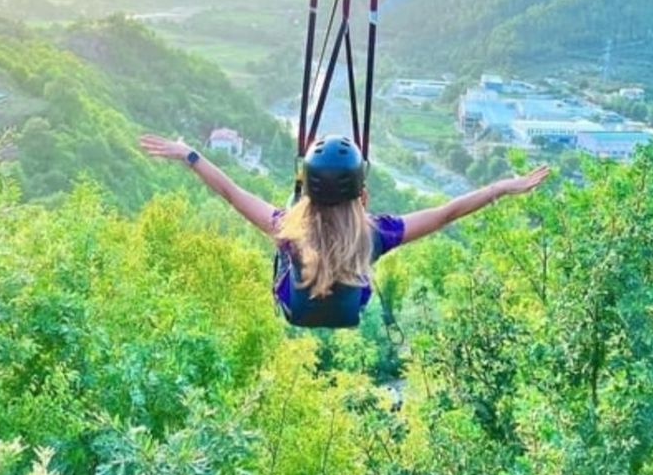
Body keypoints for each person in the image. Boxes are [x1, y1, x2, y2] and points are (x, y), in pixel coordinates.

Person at [138, 132, 550, 329]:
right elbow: (446, 213)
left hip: (293, 310)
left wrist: (188, 154)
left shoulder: (287, 228)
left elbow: (231, 191)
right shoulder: (374, 234)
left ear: (308, 192)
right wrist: (500, 187)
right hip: (349, 308)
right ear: (362, 195)